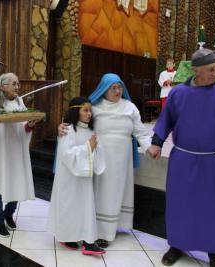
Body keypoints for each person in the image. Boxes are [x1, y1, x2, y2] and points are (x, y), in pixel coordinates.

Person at [148, 49, 215, 267]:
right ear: (195, 70)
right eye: (211, 69)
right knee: (179, 205)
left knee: (211, 209)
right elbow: (166, 120)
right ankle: (176, 245)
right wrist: (156, 143)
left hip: (212, 162)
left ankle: (214, 253)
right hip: (182, 160)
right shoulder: (178, 93)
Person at [59, 73, 152, 248]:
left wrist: (149, 147)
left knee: (117, 192)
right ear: (104, 89)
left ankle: (112, 228)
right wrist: (63, 126)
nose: (118, 91)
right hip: (99, 157)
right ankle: (97, 231)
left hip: (122, 158)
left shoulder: (130, 107)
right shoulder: (95, 107)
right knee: (101, 192)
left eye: (120, 87)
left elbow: (140, 131)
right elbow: (77, 119)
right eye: (113, 88)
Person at [0, 73, 39, 237]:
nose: (18, 87)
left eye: (18, 84)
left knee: (15, 181)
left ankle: (9, 213)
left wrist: (30, 124)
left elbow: (24, 123)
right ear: (3, 86)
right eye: (14, 84)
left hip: (16, 149)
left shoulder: (19, 101)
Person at [47, 96, 106, 255]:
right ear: (75, 111)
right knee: (69, 206)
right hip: (69, 178)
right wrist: (88, 147)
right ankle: (67, 236)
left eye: (90, 110)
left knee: (85, 207)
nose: (89, 114)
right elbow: (67, 154)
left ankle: (88, 241)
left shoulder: (90, 130)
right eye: (85, 110)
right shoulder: (68, 129)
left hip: (84, 178)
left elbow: (97, 149)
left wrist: (94, 147)